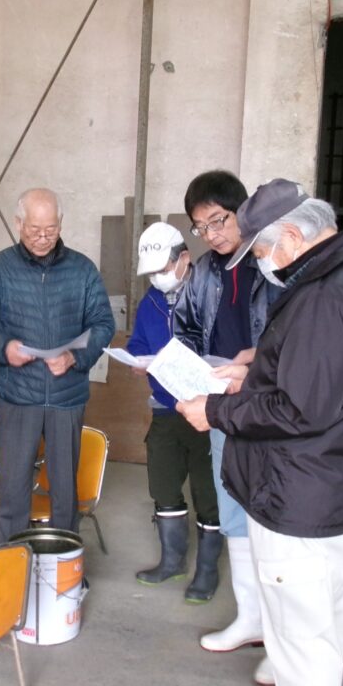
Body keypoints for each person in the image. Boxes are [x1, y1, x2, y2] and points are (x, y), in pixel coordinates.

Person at [177, 178, 343, 686]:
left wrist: (215, 410)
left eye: (265, 250)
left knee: (304, 637)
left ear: (294, 236)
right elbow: (319, 375)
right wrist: (258, 367)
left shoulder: (326, 296)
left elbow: (300, 409)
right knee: (315, 628)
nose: (263, 263)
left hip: (302, 495)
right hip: (331, 485)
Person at [175, 171, 281, 678]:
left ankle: (281, 643)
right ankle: (250, 620)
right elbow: (185, 327)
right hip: (220, 402)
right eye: (201, 227)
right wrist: (188, 370)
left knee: (273, 514)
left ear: (243, 212)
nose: (212, 234)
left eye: (218, 221)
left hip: (267, 403)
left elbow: (294, 337)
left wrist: (255, 362)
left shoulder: (273, 263)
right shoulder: (202, 271)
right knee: (232, 506)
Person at [0, 188, 114, 544]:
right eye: (35, 229)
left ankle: (64, 562)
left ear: (60, 223)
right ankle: (13, 560)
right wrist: (4, 347)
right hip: (18, 394)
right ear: (18, 223)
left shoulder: (82, 270)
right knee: (14, 487)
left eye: (51, 229)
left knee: (65, 489)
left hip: (67, 396)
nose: (43, 238)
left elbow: (103, 324)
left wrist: (75, 357)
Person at [127, 222, 220, 603]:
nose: (157, 278)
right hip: (166, 407)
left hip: (207, 409)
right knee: (163, 486)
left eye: (163, 269)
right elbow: (138, 343)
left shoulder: (211, 293)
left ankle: (207, 571)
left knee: (208, 491)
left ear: (184, 258)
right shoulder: (150, 302)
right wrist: (137, 360)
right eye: (151, 272)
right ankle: (172, 561)